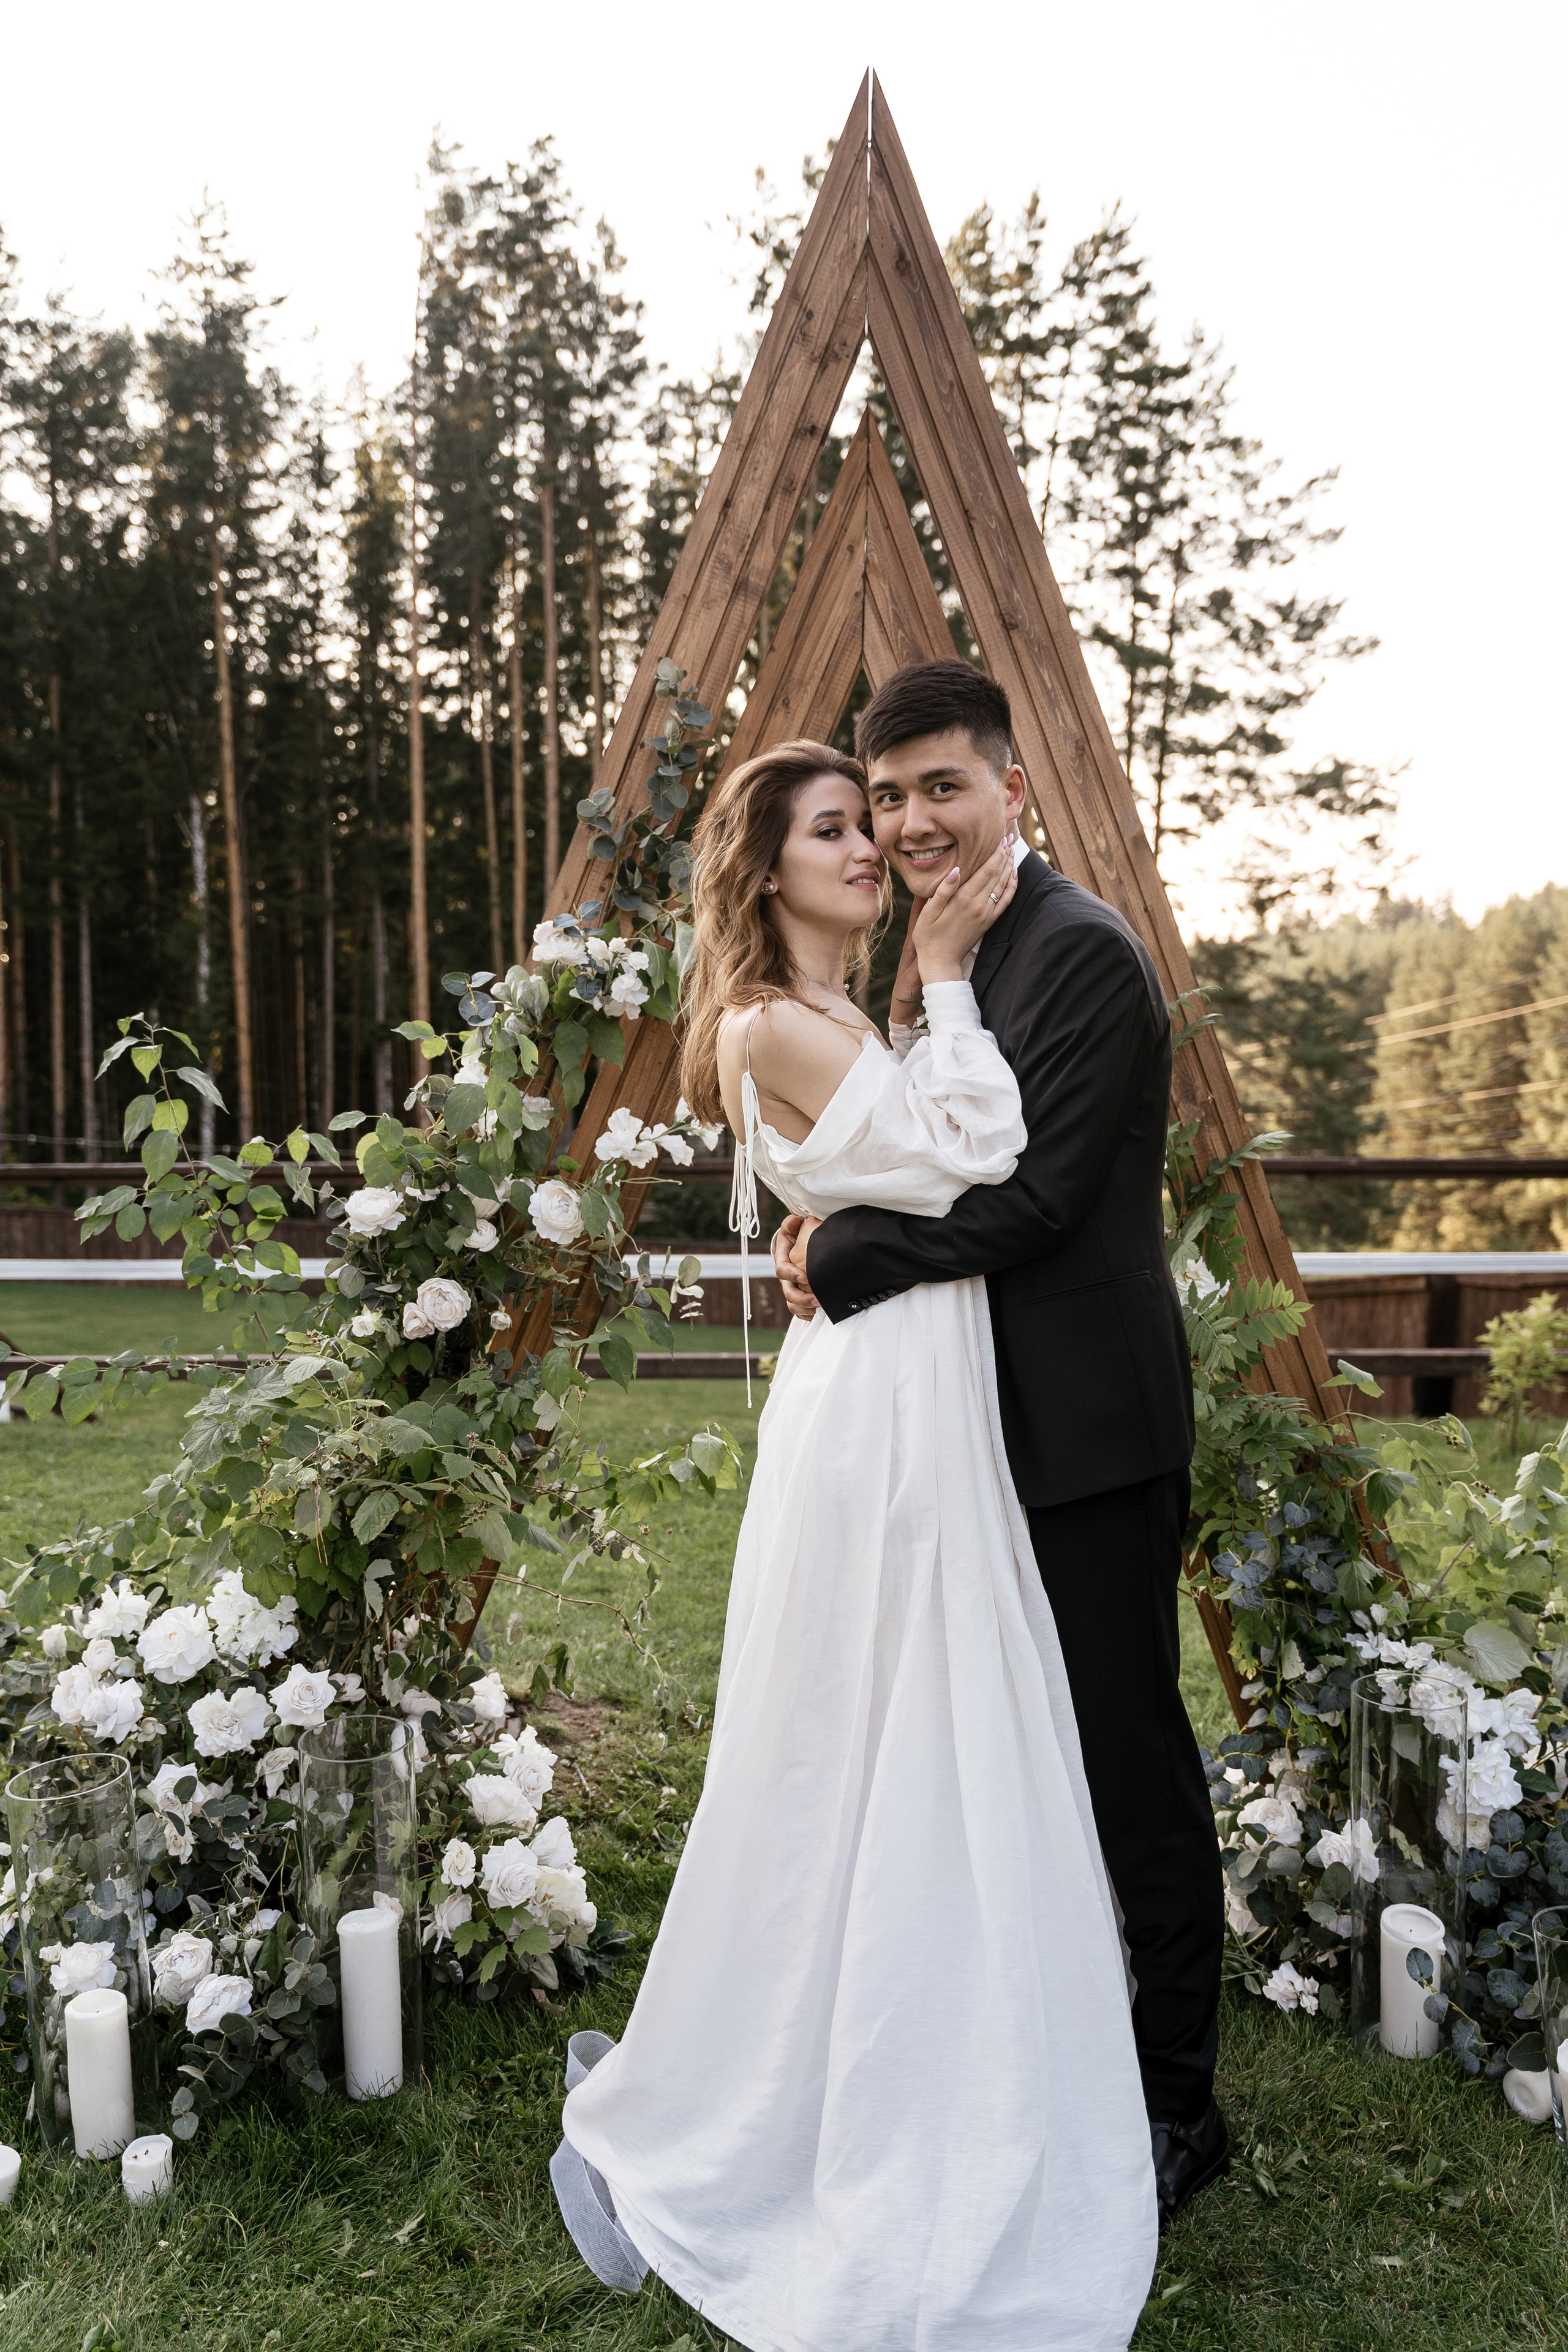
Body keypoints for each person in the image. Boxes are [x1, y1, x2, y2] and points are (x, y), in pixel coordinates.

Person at [552, 737, 1158, 2351]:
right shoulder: (770, 1025)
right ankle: (786, 2100)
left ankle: (936, 2038)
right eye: (836, 829)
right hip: (880, 1414)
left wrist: (915, 1016)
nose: (871, 851)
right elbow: (981, 1148)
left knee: (938, 1713)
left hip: (918, 1385)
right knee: (872, 1721)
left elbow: (925, 1169)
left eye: (869, 825)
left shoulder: (842, 1023)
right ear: (766, 869)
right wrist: (952, 976)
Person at [776, 661, 1226, 2232]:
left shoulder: (1082, 954)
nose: (906, 821)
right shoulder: (944, 948)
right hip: (967, 1429)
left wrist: (837, 1259)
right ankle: (1035, 2050)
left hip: (1086, 1431)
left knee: (1124, 1762)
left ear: (1010, 789)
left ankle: (1178, 2108)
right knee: (992, 1754)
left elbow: (1026, 1208)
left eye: (937, 788)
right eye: (884, 797)